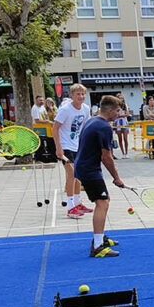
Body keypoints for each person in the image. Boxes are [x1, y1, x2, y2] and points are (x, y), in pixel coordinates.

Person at [74, 95, 125, 258]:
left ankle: (100, 236)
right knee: (102, 203)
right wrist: (116, 177)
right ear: (109, 110)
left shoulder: (93, 120)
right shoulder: (104, 127)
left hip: (84, 166)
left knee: (104, 199)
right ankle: (97, 246)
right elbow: (106, 157)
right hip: (89, 169)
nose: (119, 113)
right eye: (117, 110)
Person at [53, 84, 92, 217]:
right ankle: (70, 208)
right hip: (65, 145)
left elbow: (85, 127)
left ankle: (77, 203)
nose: (80, 96)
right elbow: (55, 128)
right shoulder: (65, 110)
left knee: (79, 175)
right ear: (72, 96)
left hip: (78, 145)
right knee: (72, 174)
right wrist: (58, 147)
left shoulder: (86, 109)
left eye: (82, 94)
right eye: (78, 94)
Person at [114, 92, 130, 158]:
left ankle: (126, 152)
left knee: (125, 138)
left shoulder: (125, 105)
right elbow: (115, 114)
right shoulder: (114, 106)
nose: (121, 99)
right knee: (120, 138)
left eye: (122, 98)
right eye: (120, 98)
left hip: (124, 122)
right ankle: (122, 152)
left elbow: (127, 114)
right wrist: (120, 115)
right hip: (117, 122)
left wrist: (120, 115)